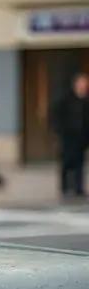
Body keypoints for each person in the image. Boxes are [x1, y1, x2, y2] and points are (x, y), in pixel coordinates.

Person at [50, 72, 89, 200]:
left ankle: (79, 188)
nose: (83, 85)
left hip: (82, 136)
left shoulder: (86, 99)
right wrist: (59, 130)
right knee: (66, 162)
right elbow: (56, 115)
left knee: (80, 163)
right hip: (68, 136)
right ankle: (65, 188)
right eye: (81, 82)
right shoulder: (66, 99)